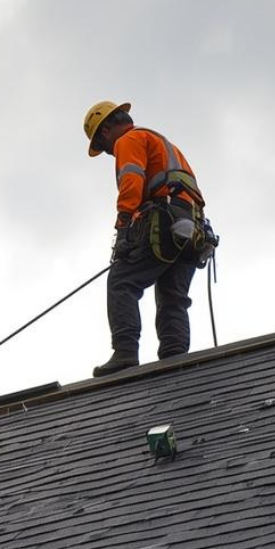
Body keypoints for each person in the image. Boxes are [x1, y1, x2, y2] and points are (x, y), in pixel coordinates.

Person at [83, 100, 213, 377]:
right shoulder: (162, 143)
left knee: (121, 281)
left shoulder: (128, 139)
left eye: (104, 146)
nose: (109, 152)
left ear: (106, 129)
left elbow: (132, 180)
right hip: (191, 228)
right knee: (172, 296)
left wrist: (124, 228)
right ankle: (175, 359)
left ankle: (125, 351)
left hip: (164, 223)